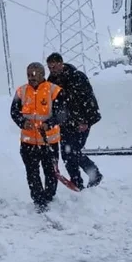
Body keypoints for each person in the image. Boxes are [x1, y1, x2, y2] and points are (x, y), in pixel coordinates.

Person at [11, 62, 67, 213]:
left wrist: (49, 124)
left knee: (50, 171)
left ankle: (49, 196)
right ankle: (38, 199)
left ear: (43, 74)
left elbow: (62, 113)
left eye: (34, 74)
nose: (31, 78)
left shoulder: (54, 90)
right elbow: (14, 112)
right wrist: (22, 122)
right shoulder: (21, 92)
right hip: (28, 142)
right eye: (29, 74)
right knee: (32, 172)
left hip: (49, 141)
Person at [46, 53, 102, 190]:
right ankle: (76, 181)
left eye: (54, 66)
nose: (52, 70)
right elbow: (53, 103)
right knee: (66, 153)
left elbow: (89, 100)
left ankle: (94, 174)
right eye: (49, 67)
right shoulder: (51, 81)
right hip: (64, 122)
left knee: (74, 151)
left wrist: (86, 121)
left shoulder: (77, 77)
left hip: (81, 121)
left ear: (61, 63)